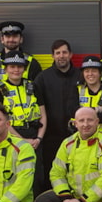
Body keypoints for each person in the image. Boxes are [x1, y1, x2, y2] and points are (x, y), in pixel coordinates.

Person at [34, 39, 81, 192]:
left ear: (71, 54)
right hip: (50, 138)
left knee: (76, 173)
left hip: (77, 136)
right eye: (58, 53)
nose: (61, 56)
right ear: (52, 56)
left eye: (64, 52)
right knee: (52, 175)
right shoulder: (42, 78)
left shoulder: (81, 76)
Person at [0, 51, 42, 148]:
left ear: (24, 69)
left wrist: (39, 138)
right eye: (12, 67)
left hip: (34, 138)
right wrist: (22, 140)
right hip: (11, 137)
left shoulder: (33, 86)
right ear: (5, 69)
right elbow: (0, 118)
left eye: (20, 67)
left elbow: (43, 114)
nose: (16, 70)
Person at [0, 21, 42, 85]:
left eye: (15, 36)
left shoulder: (31, 63)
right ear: (2, 39)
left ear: (21, 39)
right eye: (8, 36)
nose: (11, 39)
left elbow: (39, 89)